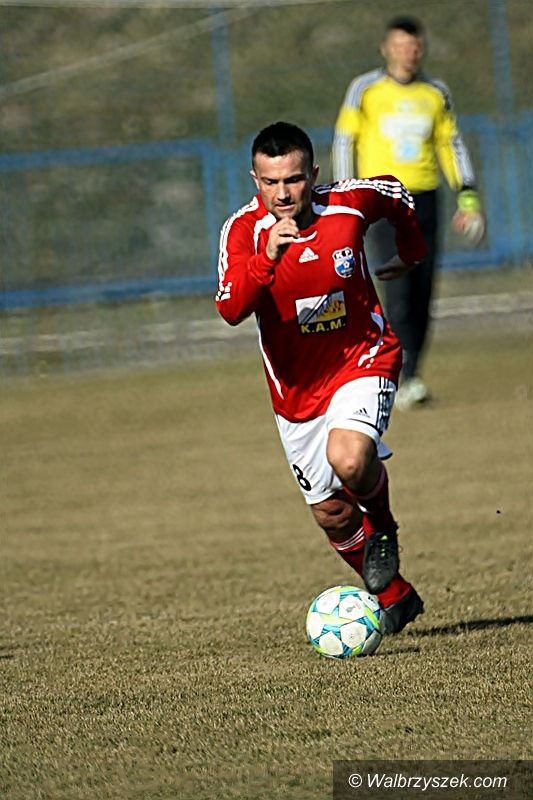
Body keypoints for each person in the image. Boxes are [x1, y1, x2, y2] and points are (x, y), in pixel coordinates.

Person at [215, 121, 427, 634]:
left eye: (293, 179)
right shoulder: (243, 232)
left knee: (348, 458)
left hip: (363, 358)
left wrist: (412, 250)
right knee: (331, 512)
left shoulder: (347, 204)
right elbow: (230, 308)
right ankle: (397, 597)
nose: (283, 194)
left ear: (313, 173)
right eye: (271, 182)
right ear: (255, 180)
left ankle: (384, 529)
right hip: (296, 392)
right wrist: (267, 258)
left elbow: (397, 195)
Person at [332, 15, 485, 410]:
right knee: (396, 288)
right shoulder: (365, 89)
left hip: (426, 199)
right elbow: (345, 141)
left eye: (414, 46)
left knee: (423, 290)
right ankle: (393, 374)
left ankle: (412, 374)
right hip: (383, 201)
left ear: (422, 49)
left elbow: (451, 144)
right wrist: (347, 195)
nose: (408, 53)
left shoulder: (435, 92)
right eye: (400, 46)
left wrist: (467, 195)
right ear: (386, 49)